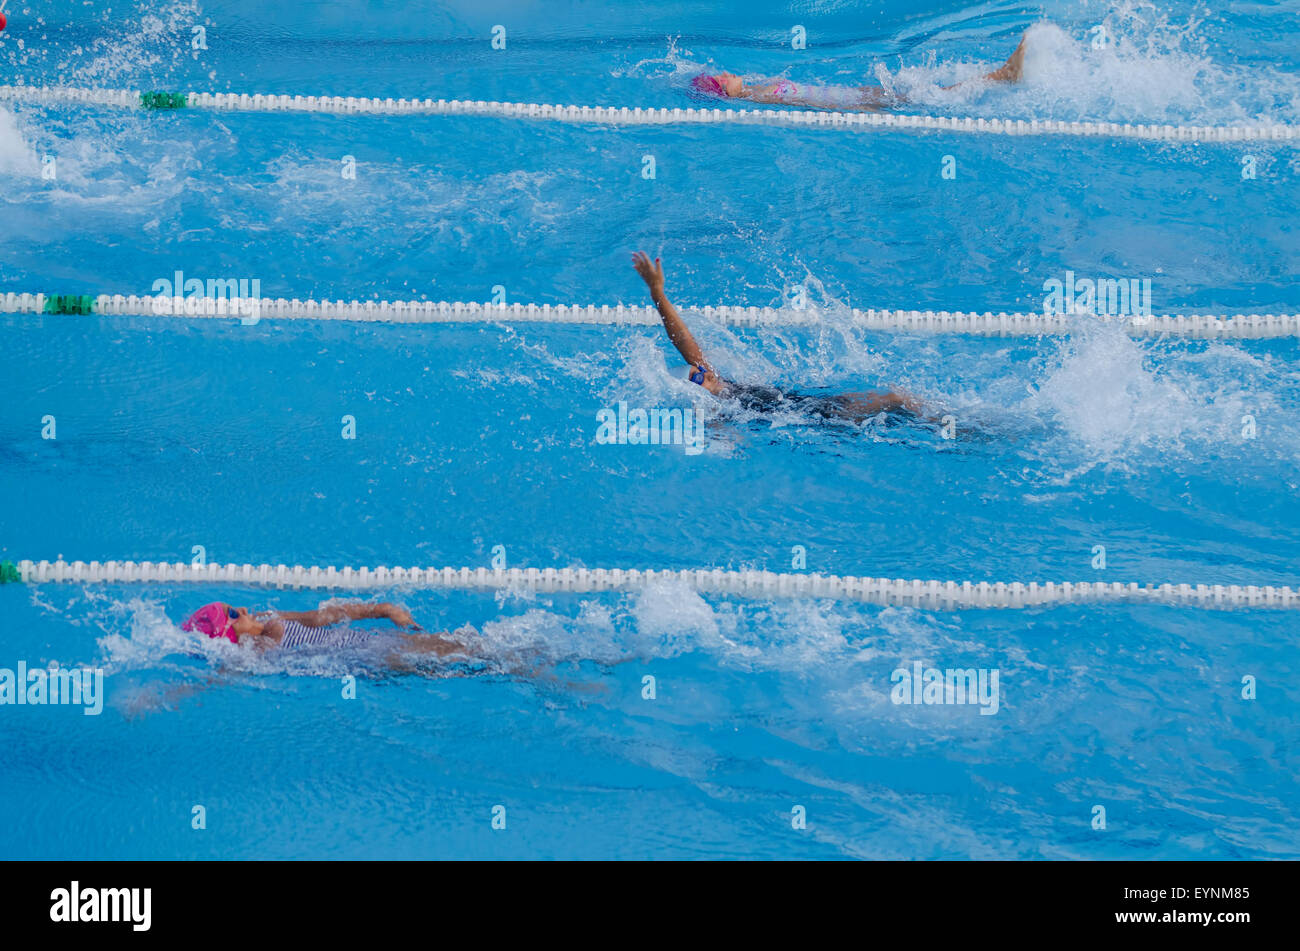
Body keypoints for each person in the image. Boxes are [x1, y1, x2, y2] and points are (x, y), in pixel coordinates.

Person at [631, 251, 923, 423]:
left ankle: (952, 422)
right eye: (697, 379)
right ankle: (958, 428)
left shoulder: (722, 384)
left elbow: (681, 339)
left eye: (700, 371)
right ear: (693, 393)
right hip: (818, 420)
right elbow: (726, 440)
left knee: (899, 400)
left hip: (811, 404)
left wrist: (657, 292)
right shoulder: (720, 409)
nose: (705, 374)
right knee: (897, 398)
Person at [691, 32, 1027, 111]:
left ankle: (998, 77)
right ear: (726, 92)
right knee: (927, 98)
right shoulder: (760, 97)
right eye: (722, 78)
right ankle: (1000, 77)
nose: (726, 72)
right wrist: (861, 108)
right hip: (852, 104)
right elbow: (808, 104)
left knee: (919, 93)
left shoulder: (758, 90)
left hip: (855, 95)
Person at [181, 599, 476, 665]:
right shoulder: (256, 652)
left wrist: (382, 610)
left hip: (374, 641)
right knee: (469, 659)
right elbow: (220, 679)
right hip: (375, 659)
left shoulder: (271, 617)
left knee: (468, 646)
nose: (243, 610)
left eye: (235, 606)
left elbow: (324, 616)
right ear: (228, 634)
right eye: (233, 614)